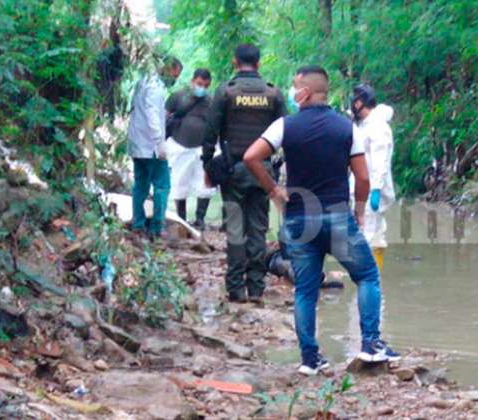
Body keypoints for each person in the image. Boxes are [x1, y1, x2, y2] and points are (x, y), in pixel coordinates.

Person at [243, 65, 400, 376]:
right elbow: (363, 177)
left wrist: (274, 190)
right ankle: (371, 344)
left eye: (295, 85)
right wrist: (358, 209)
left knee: (305, 288)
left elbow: (251, 156)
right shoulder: (347, 128)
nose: (291, 89)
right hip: (337, 215)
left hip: (299, 219)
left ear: (306, 91)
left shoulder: (284, 126)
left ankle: (310, 359)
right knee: (367, 275)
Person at [202, 44, 286, 303]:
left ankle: (236, 289)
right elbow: (287, 130)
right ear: (258, 64)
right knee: (258, 229)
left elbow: (210, 133)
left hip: (233, 170)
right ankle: (257, 288)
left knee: (236, 229)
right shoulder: (274, 94)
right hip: (263, 171)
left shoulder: (225, 92)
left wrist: (208, 166)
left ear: (234, 62)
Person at [127, 56, 183, 240]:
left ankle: (138, 224)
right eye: (175, 74)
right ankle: (157, 228)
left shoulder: (143, 83)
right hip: (151, 145)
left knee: (140, 185)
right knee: (162, 185)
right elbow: (152, 116)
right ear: (168, 69)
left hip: (138, 144)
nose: (174, 79)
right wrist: (160, 142)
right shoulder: (155, 88)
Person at [350, 84, 396, 271]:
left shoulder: (377, 126)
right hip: (363, 187)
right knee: (375, 233)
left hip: (370, 189)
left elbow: (380, 160)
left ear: (360, 102)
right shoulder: (364, 125)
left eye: (354, 100)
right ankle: (374, 277)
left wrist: (375, 189)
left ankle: (366, 279)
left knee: (367, 234)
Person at [165, 68, 214, 230]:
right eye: (200, 84)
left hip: (202, 149)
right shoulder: (178, 97)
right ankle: (182, 219)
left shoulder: (211, 101)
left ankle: (200, 219)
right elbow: (164, 116)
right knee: (179, 182)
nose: (202, 88)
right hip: (180, 146)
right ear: (193, 81)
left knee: (205, 184)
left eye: (206, 85)